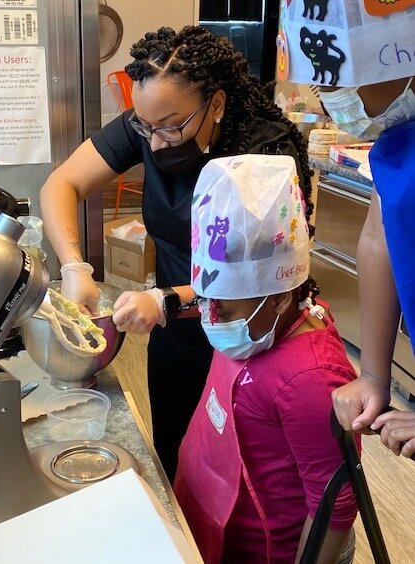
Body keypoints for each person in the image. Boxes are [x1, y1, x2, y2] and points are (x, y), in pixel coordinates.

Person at [39, 25, 314, 480]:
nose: (154, 142)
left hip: (249, 338)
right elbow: (61, 183)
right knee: (175, 457)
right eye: (144, 127)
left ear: (217, 104)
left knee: (241, 477)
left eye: (170, 127)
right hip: (178, 337)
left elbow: (267, 277)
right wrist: (74, 266)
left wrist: (166, 298)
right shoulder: (150, 123)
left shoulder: (266, 154)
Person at [174, 154, 360, 563]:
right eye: (207, 299)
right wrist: (164, 300)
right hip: (208, 515)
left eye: (225, 305)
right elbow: (218, 298)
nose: (211, 315)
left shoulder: (309, 380)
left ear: (279, 296)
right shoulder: (259, 324)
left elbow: (335, 507)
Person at [281, 0, 415, 459]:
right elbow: (380, 240)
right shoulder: (400, 141)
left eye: (334, 78)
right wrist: (375, 373)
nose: (326, 98)